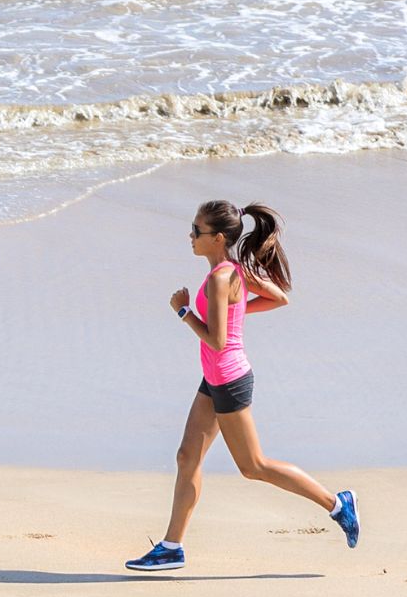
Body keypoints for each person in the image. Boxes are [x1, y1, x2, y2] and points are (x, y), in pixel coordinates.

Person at [125, 200, 358, 572]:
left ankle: (337, 504)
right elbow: (278, 297)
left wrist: (185, 312)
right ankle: (171, 547)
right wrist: (235, 311)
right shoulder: (231, 270)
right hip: (215, 379)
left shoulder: (222, 277)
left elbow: (216, 341)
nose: (191, 236)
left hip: (229, 380)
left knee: (254, 466)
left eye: (197, 231)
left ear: (218, 238)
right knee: (187, 457)